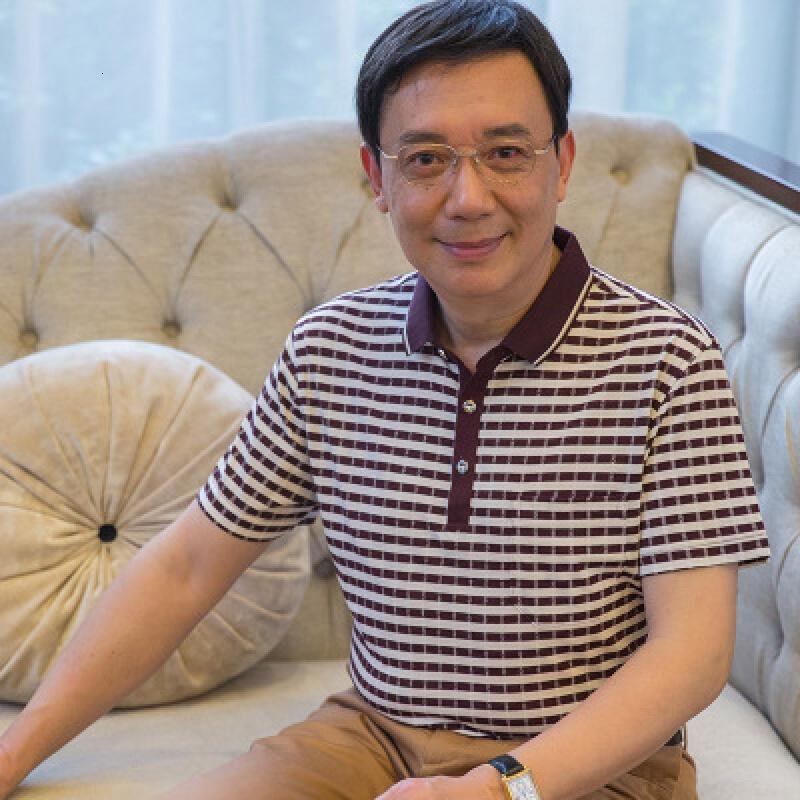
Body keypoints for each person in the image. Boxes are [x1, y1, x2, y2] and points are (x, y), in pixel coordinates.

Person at [0, 1, 770, 799]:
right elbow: (186, 569)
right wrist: (14, 753)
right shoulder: (328, 349)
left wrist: (499, 788)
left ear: (562, 163)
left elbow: (692, 655)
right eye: (426, 159)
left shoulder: (669, 359)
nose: (468, 198)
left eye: (506, 153)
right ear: (377, 177)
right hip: (372, 735)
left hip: (587, 764)